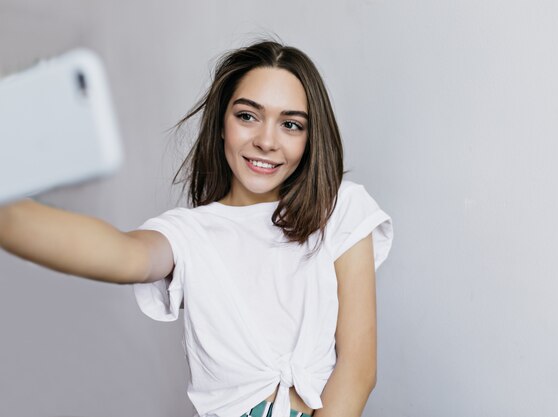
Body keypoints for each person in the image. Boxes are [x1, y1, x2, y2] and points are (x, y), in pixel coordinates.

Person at [0, 40, 393, 417]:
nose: (267, 141)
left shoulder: (341, 208)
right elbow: (122, 255)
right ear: (222, 124)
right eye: (247, 116)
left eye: (291, 124)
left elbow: (358, 371)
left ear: (310, 139)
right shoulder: (191, 233)